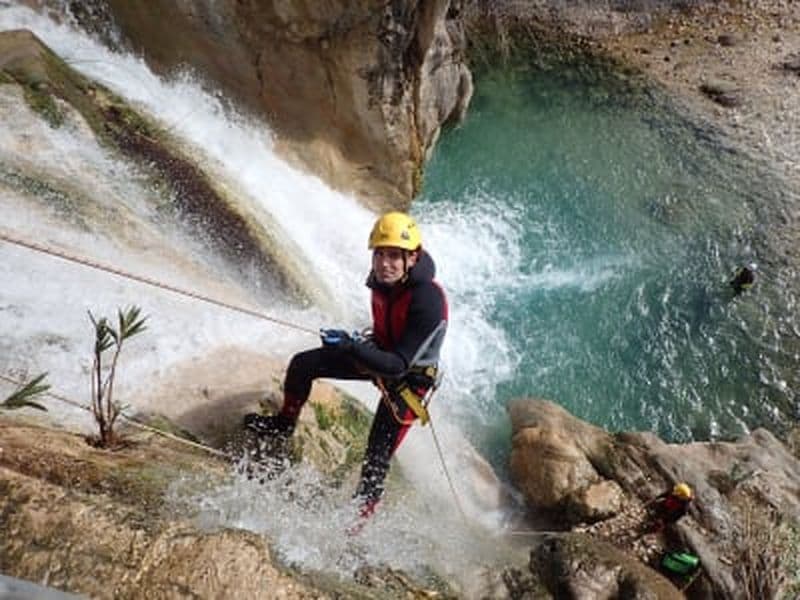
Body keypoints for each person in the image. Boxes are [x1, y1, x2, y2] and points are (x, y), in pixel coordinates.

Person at [243, 212, 448, 519]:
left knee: (376, 458)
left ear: (412, 258)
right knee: (303, 364)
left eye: (394, 256)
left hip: (408, 380)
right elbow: (388, 334)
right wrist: (357, 344)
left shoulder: (428, 300)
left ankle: (356, 524)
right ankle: (283, 426)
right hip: (380, 356)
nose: (384, 264)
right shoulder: (385, 282)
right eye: (379, 254)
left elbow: (397, 365)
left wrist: (352, 346)